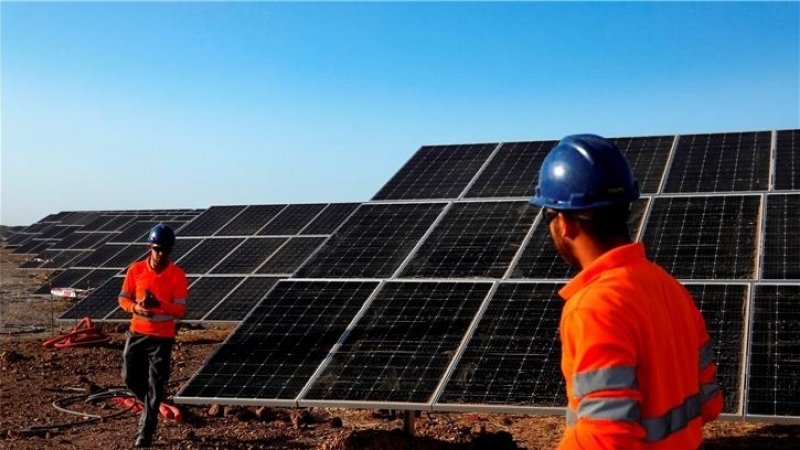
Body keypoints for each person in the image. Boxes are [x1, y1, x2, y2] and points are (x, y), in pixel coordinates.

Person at [529, 135, 722, 449]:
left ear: (564, 222)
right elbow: (709, 403)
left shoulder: (593, 308)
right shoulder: (669, 287)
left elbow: (607, 438)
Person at [118, 224, 188, 447]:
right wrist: (136, 308)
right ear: (149, 247)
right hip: (138, 332)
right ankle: (152, 402)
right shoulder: (135, 270)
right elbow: (123, 299)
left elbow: (180, 310)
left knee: (156, 385)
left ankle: (145, 433)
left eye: (166, 250)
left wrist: (160, 304)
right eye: (158, 249)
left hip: (162, 338)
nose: (161, 254)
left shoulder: (177, 275)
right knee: (129, 378)